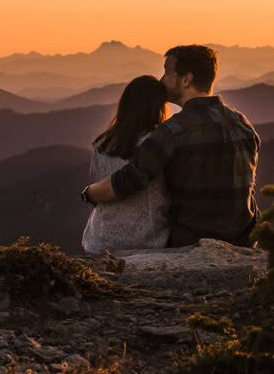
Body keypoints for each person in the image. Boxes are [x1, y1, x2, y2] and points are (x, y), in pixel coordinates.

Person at [83, 45, 261, 247]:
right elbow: (248, 188)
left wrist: (88, 193)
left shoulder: (172, 132)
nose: (161, 80)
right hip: (243, 239)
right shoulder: (243, 124)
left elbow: (128, 181)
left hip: (193, 242)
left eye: (167, 72)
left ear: (186, 80)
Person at [81, 75, 171, 253]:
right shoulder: (159, 144)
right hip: (147, 242)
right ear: (159, 107)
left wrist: (88, 193)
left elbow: (102, 190)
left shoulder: (104, 143)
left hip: (100, 240)